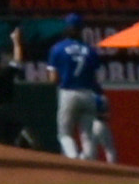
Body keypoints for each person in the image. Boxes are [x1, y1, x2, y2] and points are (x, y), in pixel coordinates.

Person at [46, 14, 115, 163]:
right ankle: (89, 163)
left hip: (68, 92)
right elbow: (96, 78)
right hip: (88, 93)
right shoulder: (90, 50)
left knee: (64, 134)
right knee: (87, 135)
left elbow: (53, 78)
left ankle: (73, 158)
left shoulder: (57, 48)